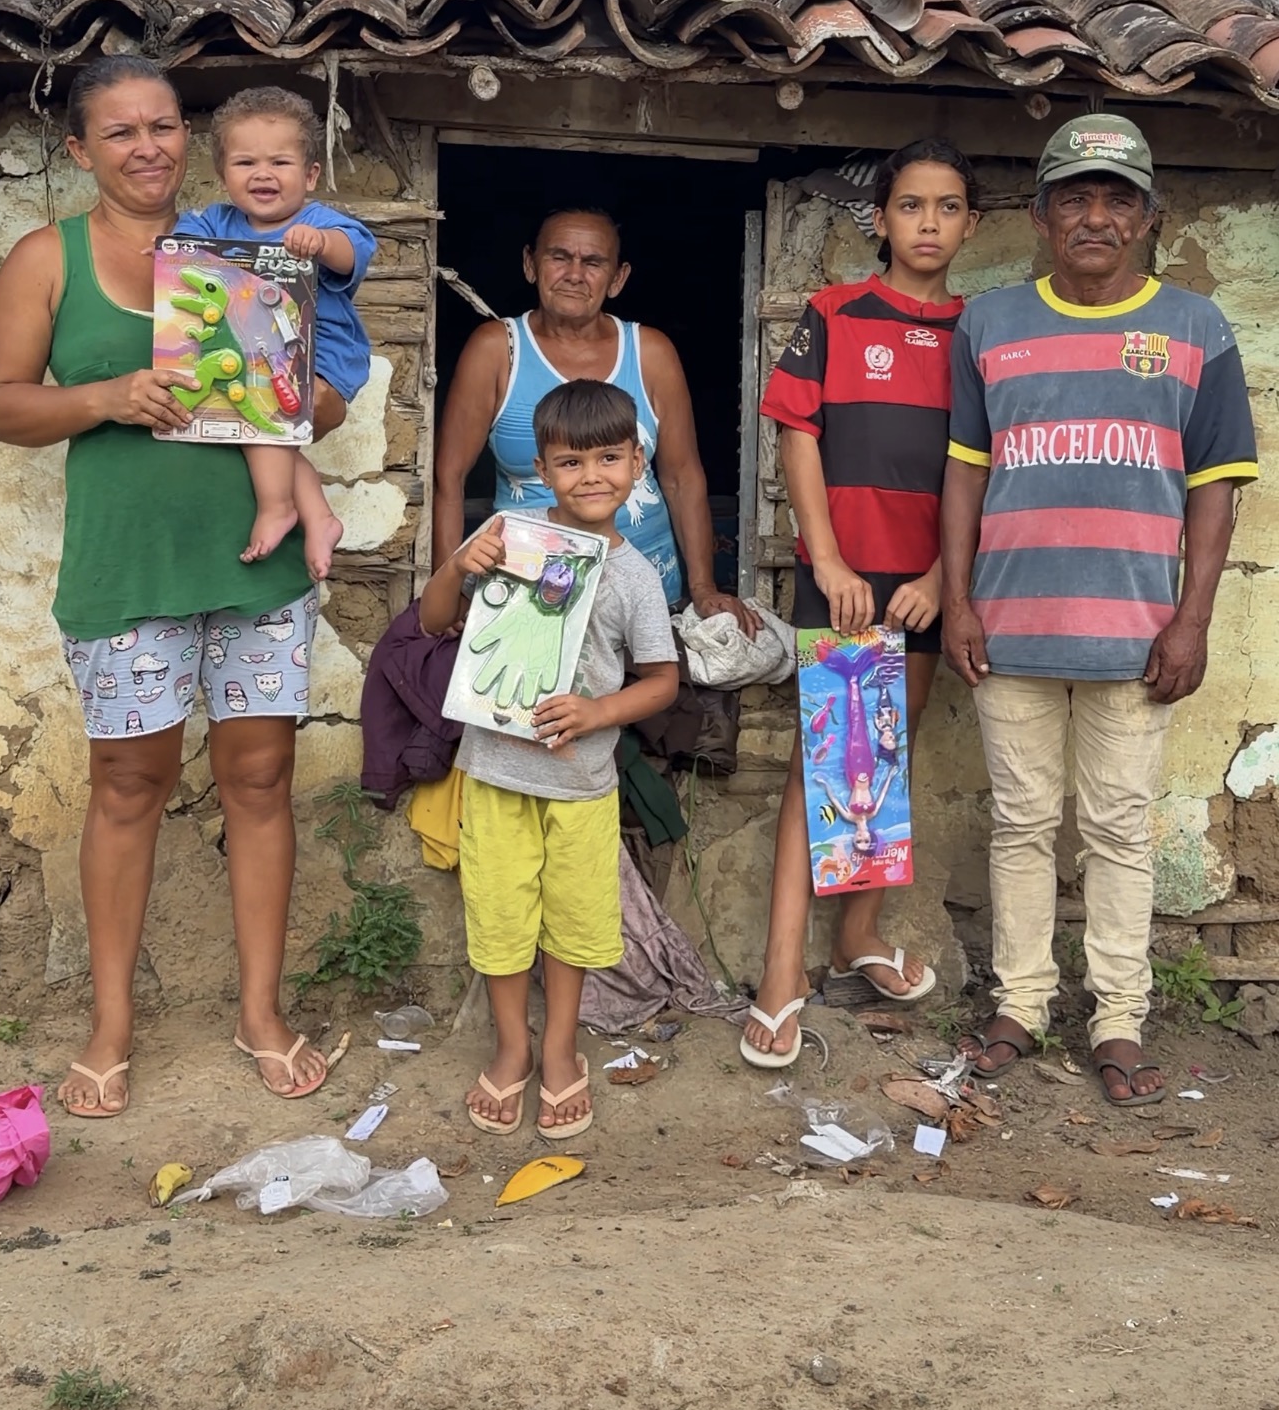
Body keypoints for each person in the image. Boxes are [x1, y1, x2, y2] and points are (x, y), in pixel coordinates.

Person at [0, 55, 329, 1114]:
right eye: (121, 131)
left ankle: (260, 1011)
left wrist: (299, 397)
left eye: (166, 126)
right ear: (80, 150)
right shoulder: (50, 258)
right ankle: (111, 1021)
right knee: (127, 788)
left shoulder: (247, 246)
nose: (149, 147)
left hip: (254, 565)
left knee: (261, 781)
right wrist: (112, 393)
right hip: (127, 566)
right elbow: (1, 407)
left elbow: (307, 399)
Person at [940, 114, 1257, 1105]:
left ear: (1149, 217)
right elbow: (964, 475)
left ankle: (1118, 1016)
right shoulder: (988, 322)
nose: (1095, 216)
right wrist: (957, 599)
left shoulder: (1197, 328)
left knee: (1120, 829)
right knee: (1023, 822)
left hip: (1137, 636)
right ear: (1040, 216)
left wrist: (1194, 616)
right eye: (1074, 196)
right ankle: (1021, 1002)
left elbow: (1217, 485)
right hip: (1009, 625)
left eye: (1117, 199)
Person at [742, 140, 982, 1066]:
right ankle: (778, 975)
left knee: (885, 756)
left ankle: (857, 939)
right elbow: (799, 435)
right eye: (911, 205)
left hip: (925, 583)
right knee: (824, 764)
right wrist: (832, 560)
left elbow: (986, 469)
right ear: (878, 220)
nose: (929, 223)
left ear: (970, 221)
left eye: (949, 206)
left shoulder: (981, 336)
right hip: (843, 577)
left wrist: (940, 582)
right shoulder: (836, 314)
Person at [420, 379, 678, 1137]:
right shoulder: (513, 536)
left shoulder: (633, 575)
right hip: (497, 773)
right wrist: (461, 563)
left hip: (581, 784)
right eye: (570, 462)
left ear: (639, 461)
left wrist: (599, 711)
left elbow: (662, 682)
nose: (591, 475)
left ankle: (561, 1048)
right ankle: (513, 1047)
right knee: (501, 917)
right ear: (539, 468)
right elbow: (436, 618)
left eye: (609, 457)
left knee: (571, 923)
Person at [433, 207, 756, 631]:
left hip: (644, 587)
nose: (574, 274)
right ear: (531, 264)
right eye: (559, 257)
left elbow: (682, 477)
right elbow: (449, 477)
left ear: (617, 278)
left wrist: (703, 588)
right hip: (527, 588)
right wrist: (447, 585)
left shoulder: (650, 353)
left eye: (593, 262)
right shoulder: (498, 350)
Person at [179, 87, 377, 581]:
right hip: (256, 351)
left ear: (309, 175)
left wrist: (322, 244)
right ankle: (319, 516)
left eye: (280, 163)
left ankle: (276, 507)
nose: (262, 173)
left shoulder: (317, 221)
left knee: (262, 413)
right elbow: (180, 241)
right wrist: (169, 254)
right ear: (223, 174)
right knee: (261, 428)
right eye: (245, 162)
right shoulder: (216, 222)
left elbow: (354, 251)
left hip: (318, 354)